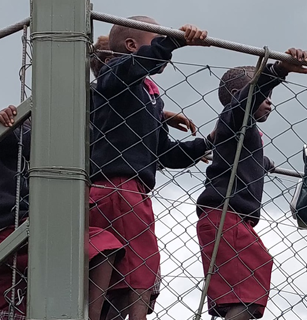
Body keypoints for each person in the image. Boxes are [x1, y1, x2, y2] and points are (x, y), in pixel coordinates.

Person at [89, 16, 211, 320]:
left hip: (135, 189)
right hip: (118, 187)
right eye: (156, 38)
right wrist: (174, 41)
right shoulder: (116, 71)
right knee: (141, 265)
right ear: (131, 46)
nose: (162, 43)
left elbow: (164, 152)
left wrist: (206, 143)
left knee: (129, 269)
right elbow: (138, 66)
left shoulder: (148, 95)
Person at [0, 106, 123, 319]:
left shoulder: (71, 156)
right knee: (104, 242)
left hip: (11, 239)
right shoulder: (20, 133)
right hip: (5, 227)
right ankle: (90, 315)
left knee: (10, 307)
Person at [195, 48, 307, 320]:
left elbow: (241, 158)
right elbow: (248, 99)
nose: (270, 102)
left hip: (231, 220)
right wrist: (278, 71)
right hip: (226, 216)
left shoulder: (242, 130)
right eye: (265, 96)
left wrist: (263, 161)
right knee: (247, 292)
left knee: (243, 289)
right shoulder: (234, 117)